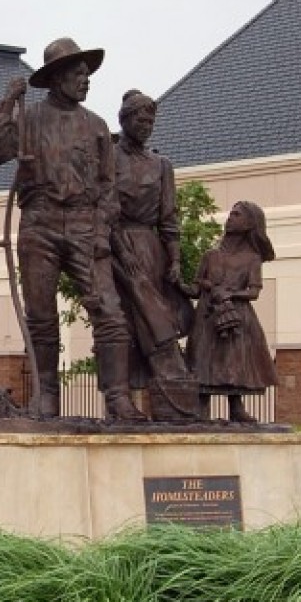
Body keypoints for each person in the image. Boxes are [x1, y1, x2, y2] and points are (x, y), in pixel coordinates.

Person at [0, 37, 144, 421]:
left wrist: (101, 231)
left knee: (110, 312)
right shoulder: (29, 119)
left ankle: (118, 397)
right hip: (40, 223)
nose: (86, 80)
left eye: (87, 73)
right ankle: (47, 397)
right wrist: (7, 103)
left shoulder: (97, 127)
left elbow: (109, 189)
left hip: (86, 226)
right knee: (41, 315)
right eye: (78, 73)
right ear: (57, 78)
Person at [110, 90, 197, 413]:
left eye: (150, 122)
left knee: (158, 317)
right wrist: (121, 251)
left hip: (151, 249)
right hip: (115, 245)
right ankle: (120, 399)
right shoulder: (107, 157)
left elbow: (169, 218)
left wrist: (174, 259)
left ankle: (170, 392)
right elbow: (103, 207)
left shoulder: (162, 165)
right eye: (140, 120)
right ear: (125, 119)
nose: (146, 127)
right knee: (121, 323)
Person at [189, 201, 278, 422]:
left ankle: (236, 407)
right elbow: (196, 288)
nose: (230, 218)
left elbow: (254, 292)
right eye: (231, 214)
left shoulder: (252, 259)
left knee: (234, 361)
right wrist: (175, 284)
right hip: (208, 315)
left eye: (237, 215)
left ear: (249, 224)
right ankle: (200, 408)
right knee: (202, 360)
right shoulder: (210, 255)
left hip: (236, 316)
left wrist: (230, 294)